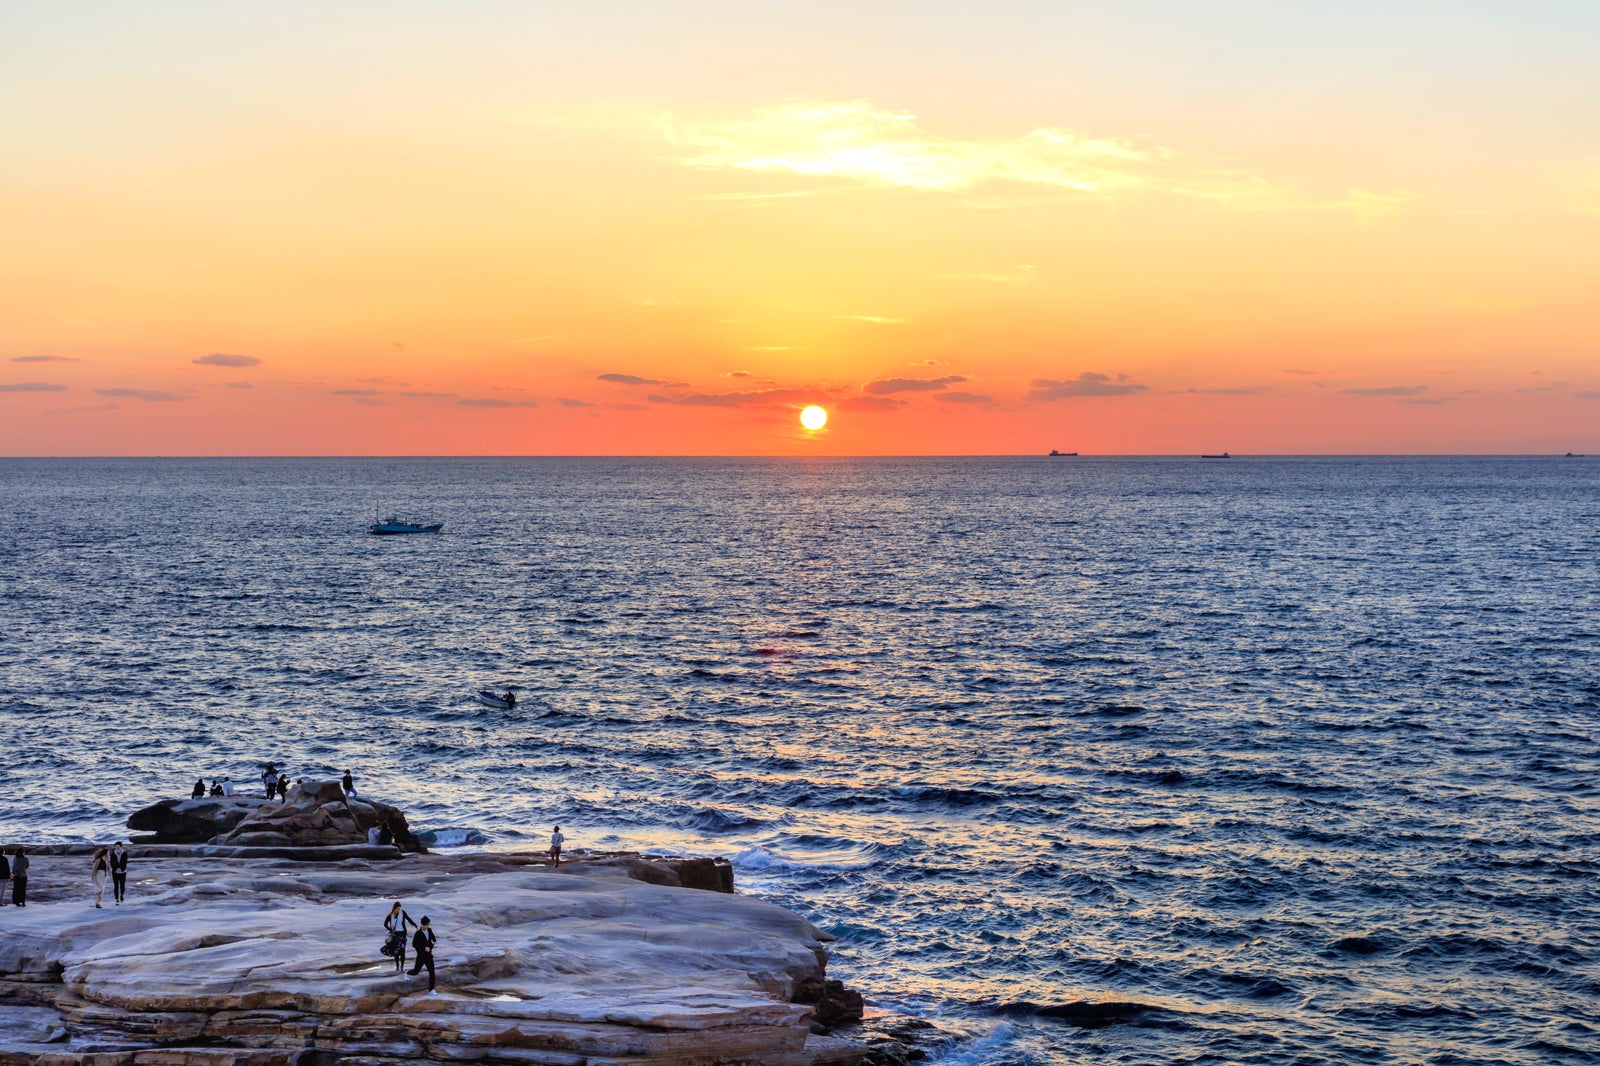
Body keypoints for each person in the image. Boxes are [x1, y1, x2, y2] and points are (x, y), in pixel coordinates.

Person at [383, 901, 417, 973]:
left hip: (403, 934)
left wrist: (415, 925)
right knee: (396, 951)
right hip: (395, 934)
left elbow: (408, 919)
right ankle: (397, 966)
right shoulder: (390, 915)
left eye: (399, 909)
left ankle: (402, 967)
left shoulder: (402, 913)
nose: (398, 910)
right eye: (397, 909)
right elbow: (385, 924)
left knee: (402, 951)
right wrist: (390, 929)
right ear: (394, 908)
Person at [408, 916, 438, 994]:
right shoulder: (418, 933)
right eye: (426, 925)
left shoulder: (430, 930)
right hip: (421, 956)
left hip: (428, 956)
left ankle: (431, 990)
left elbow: (434, 940)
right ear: (422, 925)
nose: (427, 926)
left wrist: (430, 947)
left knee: (432, 972)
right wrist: (424, 948)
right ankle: (407, 972)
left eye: (428, 925)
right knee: (415, 971)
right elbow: (414, 944)